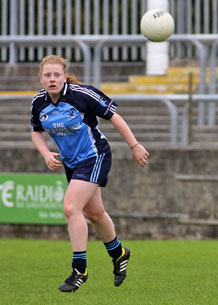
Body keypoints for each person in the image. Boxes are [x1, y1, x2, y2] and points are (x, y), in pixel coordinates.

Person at [30, 55, 150, 292]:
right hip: (72, 163)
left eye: (56, 75)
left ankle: (79, 269)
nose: (52, 79)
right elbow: (36, 131)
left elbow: (114, 116)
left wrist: (135, 146)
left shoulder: (82, 95)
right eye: (47, 75)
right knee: (95, 213)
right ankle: (119, 253)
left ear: (65, 77)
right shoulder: (38, 103)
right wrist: (45, 153)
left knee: (70, 208)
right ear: (41, 79)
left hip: (95, 155)